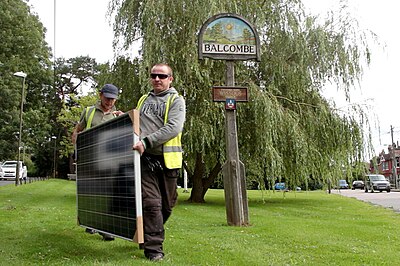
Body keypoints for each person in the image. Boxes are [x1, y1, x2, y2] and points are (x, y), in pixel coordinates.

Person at [133, 63, 186, 261]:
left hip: (167, 161)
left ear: (170, 79)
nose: (157, 79)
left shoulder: (176, 100)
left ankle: (146, 232)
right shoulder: (143, 99)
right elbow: (137, 123)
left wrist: (147, 141)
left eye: (162, 76)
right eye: (154, 75)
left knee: (167, 206)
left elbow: (174, 127)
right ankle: (154, 249)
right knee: (152, 203)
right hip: (145, 159)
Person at [72, 83, 123, 241]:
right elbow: (77, 131)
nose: (109, 102)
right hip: (89, 159)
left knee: (107, 193)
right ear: (100, 95)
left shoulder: (117, 115)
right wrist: (76, 150)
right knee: (92, 193)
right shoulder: (89, 111)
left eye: (113, 99)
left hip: (109, 161)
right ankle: (92, 222)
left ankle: (104, 228)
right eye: (107, 98)